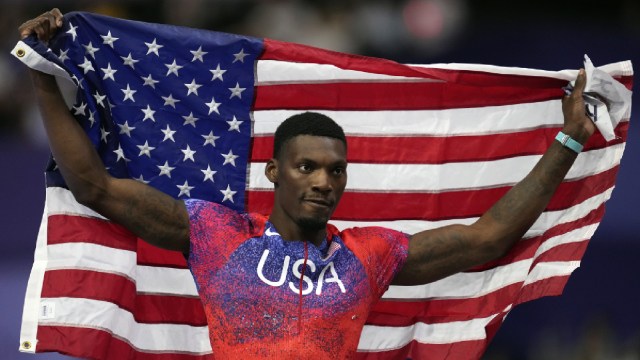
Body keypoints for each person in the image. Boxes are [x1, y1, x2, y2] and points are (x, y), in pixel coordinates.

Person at [19, 8, 596, 359]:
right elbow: (93, 186)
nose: (324, 181)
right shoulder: (217, 235)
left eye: (336, 170)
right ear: (273, 171)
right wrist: (46, 79)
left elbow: (485, 239)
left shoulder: (368, 255)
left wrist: (567, 141)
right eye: (307, 167)